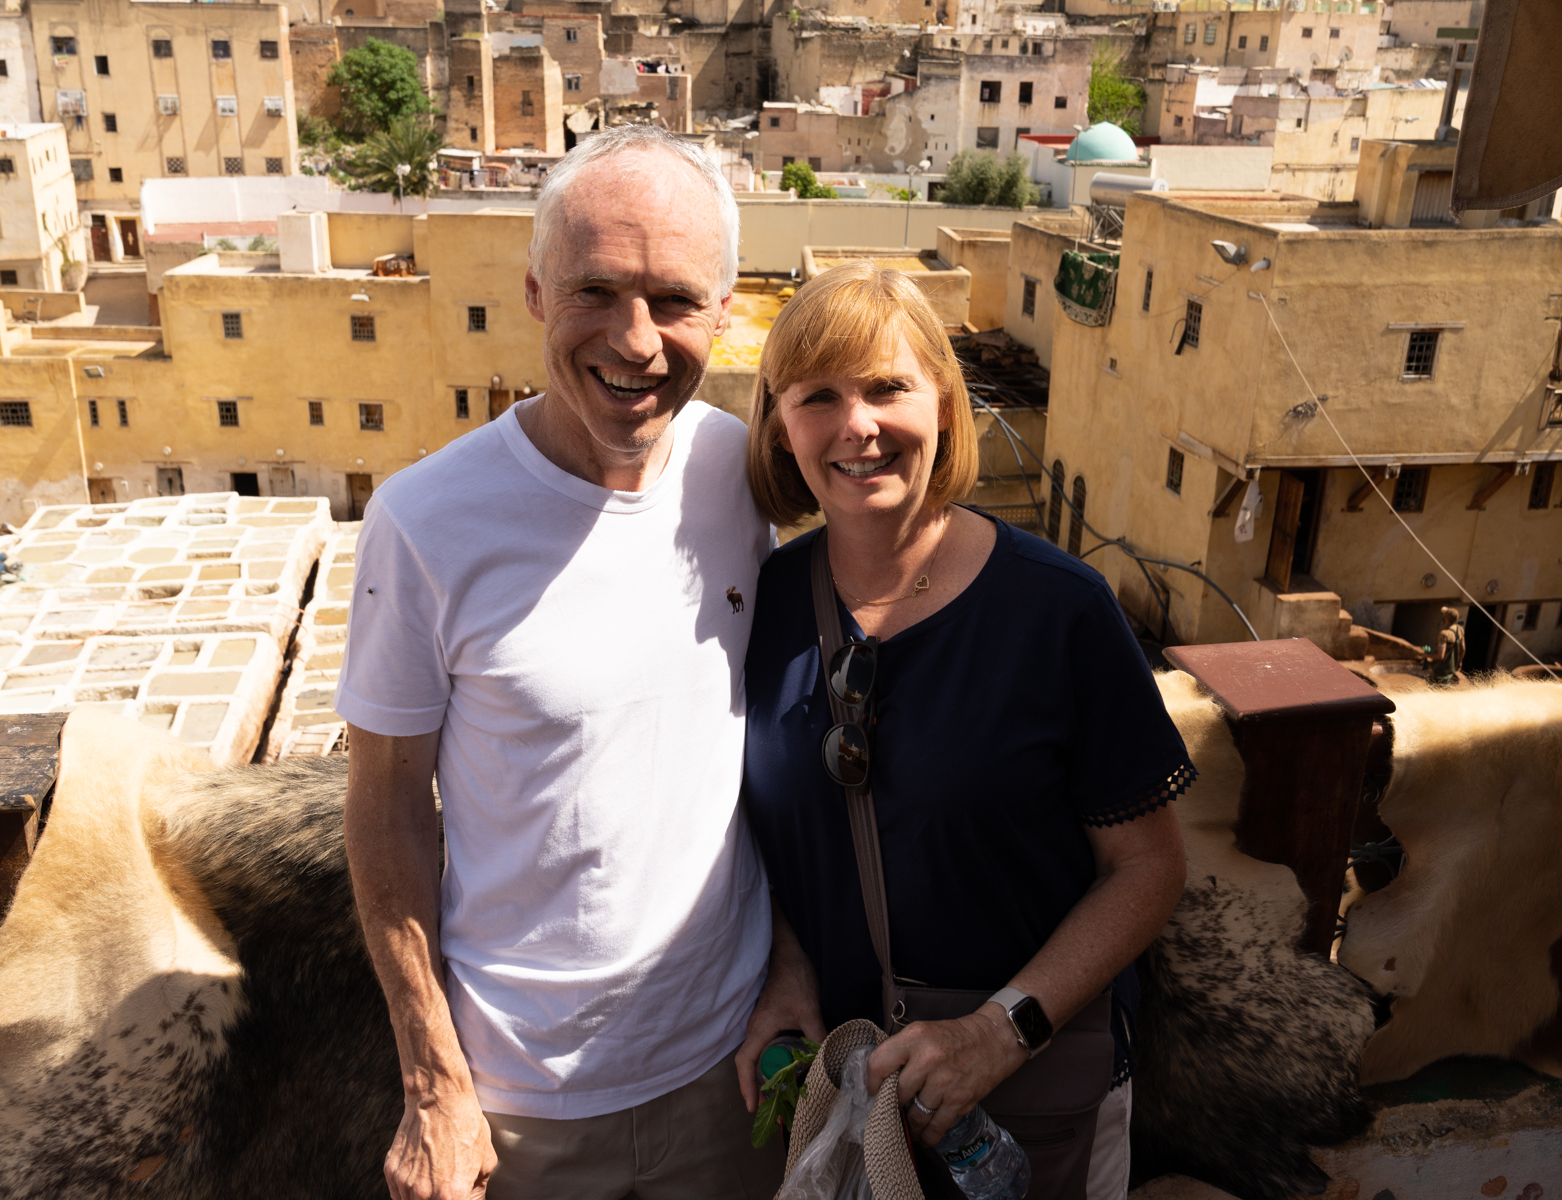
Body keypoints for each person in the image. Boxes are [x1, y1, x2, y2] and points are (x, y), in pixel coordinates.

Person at [337, 124, 785, 1200]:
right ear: (537, 292)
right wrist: (434, 1085)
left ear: (725, 313)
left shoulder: (740, 471)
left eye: (674, 300)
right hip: (517, 1105)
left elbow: (775, 743)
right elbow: (386, 807)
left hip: (730, 1069)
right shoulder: (424, 521)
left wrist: (796, 968)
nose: (636, 341)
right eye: (596, 291)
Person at [733, 264, 1194, 1199]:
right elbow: (769, 831)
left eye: (887, 388)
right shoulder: (764, 602)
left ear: (944, 404)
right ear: (780, 426)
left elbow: (1148, 869)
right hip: (849, 1092)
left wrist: (999, 1031)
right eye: (818, 397)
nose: (858, 426)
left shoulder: (1059, 609)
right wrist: (786, 964)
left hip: (1028, 1096)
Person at [1421, 606, 1464, 685]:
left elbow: (1440, 656)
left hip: (1440, 672)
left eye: (1444, 615)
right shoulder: (1459, 629)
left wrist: (1427, 656)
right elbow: (1463, 648)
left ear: (1446, 618)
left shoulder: (1444, 634)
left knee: (1435, 688)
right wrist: (1460, 661)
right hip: (1451, 669)